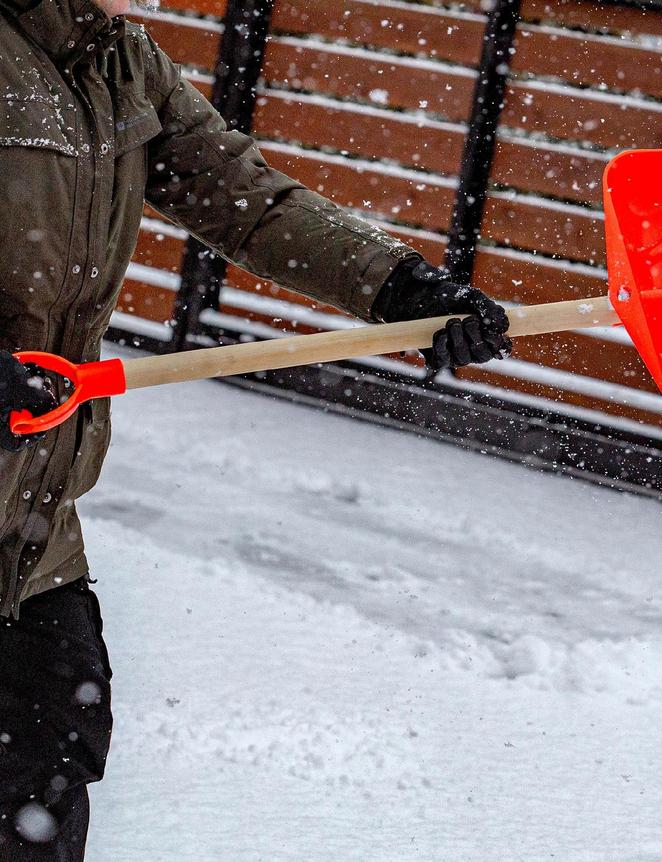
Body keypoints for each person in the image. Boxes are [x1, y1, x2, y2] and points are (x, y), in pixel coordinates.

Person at [0, 0, 512, 857]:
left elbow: (249, 201)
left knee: (49, 768)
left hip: (33, 538)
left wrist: (399, 288)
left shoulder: (124, 64)